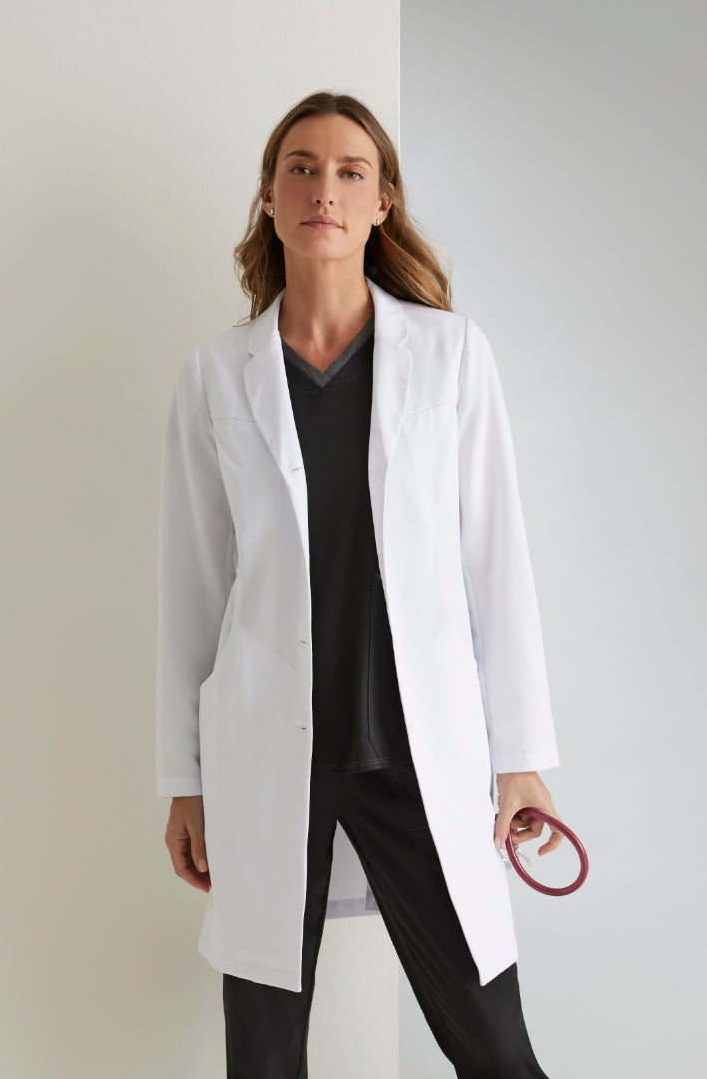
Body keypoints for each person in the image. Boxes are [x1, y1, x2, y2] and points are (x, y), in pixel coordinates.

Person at [157, 89, 563, 1078]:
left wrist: (518, 755)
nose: (322, 189)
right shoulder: (216, 377)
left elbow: (494, 562)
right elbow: (192, 594)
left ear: (383, 202)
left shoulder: (450, 357)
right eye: (300, 167)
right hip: (267, 756)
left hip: (414, 755)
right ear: (267, 195)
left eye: (349, 172)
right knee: (262, 1059)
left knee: (496, 1049)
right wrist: (184, 779)